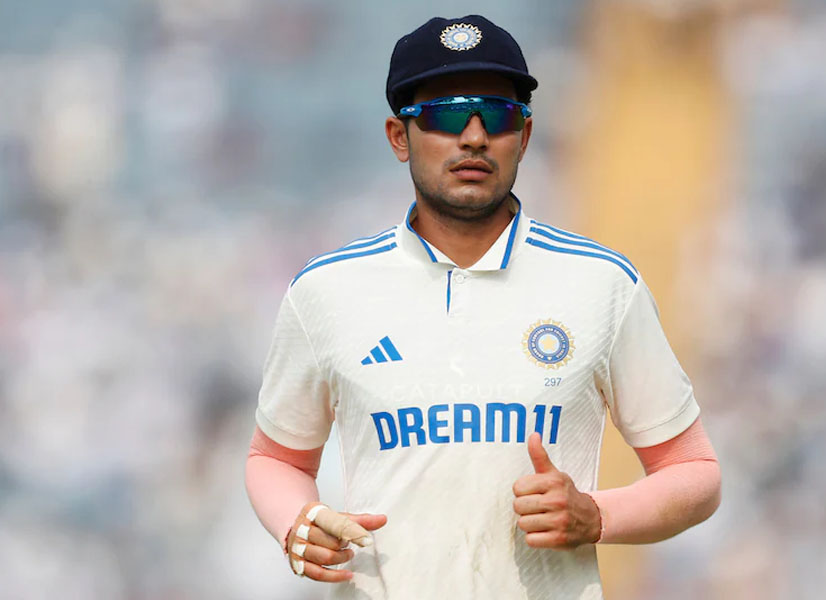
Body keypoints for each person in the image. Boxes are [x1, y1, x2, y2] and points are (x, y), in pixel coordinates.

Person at [245, 14, 721, 599]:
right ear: (399, 136)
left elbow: (695, 473)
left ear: (524, 136)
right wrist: (297, 524)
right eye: (446, 114)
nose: (474, 137)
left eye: (497, 115)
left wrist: (596, 515)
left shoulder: (603, 284)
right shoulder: (326, 290)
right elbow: (277, 458)